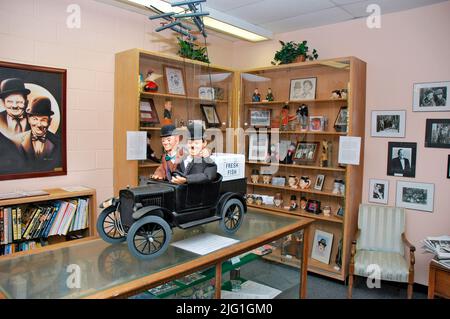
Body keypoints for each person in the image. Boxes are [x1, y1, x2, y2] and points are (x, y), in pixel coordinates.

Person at [19, 96, 61, 170]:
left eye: (43, 120)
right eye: (35, 119)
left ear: (50, 121)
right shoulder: (16, 140)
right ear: (29, 119)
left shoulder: (59, 142)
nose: (38, 125)